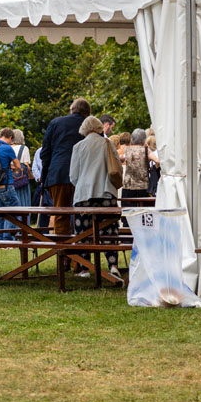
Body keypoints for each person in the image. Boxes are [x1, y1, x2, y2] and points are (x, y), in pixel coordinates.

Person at [68, 115, 123, 282]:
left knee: (83, 232)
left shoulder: (78, 146)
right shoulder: (107, 144)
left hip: (84, 195)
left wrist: (82, 184)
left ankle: (85, 267)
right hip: (106, 192)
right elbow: (117, 168)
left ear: (83, 129)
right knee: (109, 230)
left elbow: (73, 176)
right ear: (99, 127)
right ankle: (113, 265)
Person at [41, 99, 90, 235]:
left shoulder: (55, 123)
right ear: (87, 113)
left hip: (58, 173)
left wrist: (44, 178)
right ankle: (82, 245)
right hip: (83, 175)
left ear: (72, 109)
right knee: (84, 214)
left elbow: (45, 153)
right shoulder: (90, 125)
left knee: (61, 214)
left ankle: (63, 246)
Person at [0, 128, 21, 240]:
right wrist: (13, 168)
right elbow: (18, 165)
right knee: (13, 211)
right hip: (6, 185)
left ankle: (0, 239)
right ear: (10, 137)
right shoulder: (7, 148)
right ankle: (8, 239)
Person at [122, 128, 155, 200]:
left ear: (132, 139)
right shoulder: (146, 150)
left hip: (128, 186)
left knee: (127, 206)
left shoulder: (127, 149)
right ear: (144, 139)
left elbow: (120, 159)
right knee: (145, 207)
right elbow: (157, 161)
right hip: (143, 187)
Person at [10, 129, 33, 207]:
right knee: (23, 203)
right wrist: (31, 175)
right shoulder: (24, 148)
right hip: (20, 180)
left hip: (9, 181)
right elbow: (26, 165)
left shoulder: (7, 148)